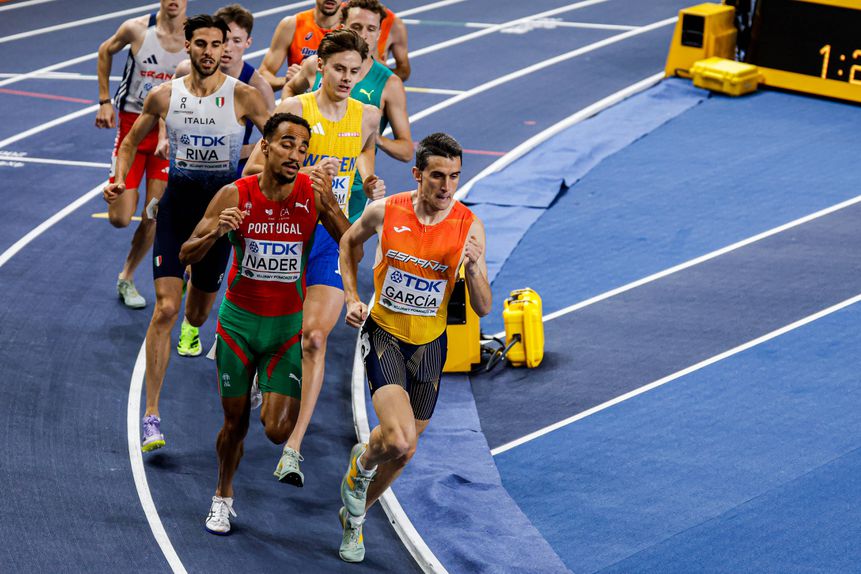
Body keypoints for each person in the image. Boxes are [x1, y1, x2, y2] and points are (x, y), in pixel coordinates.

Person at [103, 14, 271, 453]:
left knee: (196, 315)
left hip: (219, 217)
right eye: (201, 44)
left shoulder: (246, 97)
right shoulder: (164, 96)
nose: (211, 52)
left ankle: (194, 327)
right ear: (188, 46)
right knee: (165, 309)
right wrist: (117, 178)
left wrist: (258, 169)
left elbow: (280, 143)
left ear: (225, 49)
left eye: (218, 44)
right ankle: (152, 416)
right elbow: (126, 144)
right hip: (177, 210)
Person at [178, 112, 350, 535]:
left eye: (304, 148)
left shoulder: (312, 193)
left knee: (276, 431)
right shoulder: (235, 195)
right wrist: (216, 232)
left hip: (284, 328)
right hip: (237, 326)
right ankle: (223, 496)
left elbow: (350, 242)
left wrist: (341, 206)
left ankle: (263, 387)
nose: (296, 154)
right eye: (288, 144)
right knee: (234, 425)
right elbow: (186, 254)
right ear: (266, 147)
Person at [336, 133, 492, 562]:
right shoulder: (386, 211)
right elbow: (349, 243)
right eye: (437, 176)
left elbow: (482, 306)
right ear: (417, 174)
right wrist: (351, 296)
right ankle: (362, 466)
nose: (446, 187)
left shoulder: (469, 226)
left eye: (455, 177)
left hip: (429, 346)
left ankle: (356, 519)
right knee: (400, 440)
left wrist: (476, 268)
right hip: (383, 333)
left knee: (404, 452)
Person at [244, 29, 384, 487]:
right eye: (338, 68)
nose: (346, 78)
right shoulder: (294, 110)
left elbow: (364, 154)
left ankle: (294, 448)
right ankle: (262, 376)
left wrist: (368, 181)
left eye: (354, 71)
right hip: (285, 235)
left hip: (329, 239)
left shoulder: (367, 116)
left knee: (315, 339)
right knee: (275, 331)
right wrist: (301, 172)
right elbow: (250, 171)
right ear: (320, 65)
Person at [283, 0, 412, 223]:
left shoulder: (388, 84)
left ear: (380, 32)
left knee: (342, 255)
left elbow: (406, 151)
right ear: (341, 26)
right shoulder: (316, 64)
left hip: (351, 192)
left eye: (371, 29)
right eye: (357, 26)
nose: (363, 34)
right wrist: (290, 123)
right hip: (304, 179)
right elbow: (291, 87)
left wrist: (369, 134)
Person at [96, 0, 188, 309]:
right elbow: (104, 50)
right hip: (133, 128)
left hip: (169, 133)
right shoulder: (136, 29)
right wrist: (104, 100)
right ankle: (116, 184)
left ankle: (127, 277)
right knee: (121, 218)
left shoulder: (196, 38)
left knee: (153, 214)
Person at [174, 4, 276, 175]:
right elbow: (165, 103)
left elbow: (276, 138)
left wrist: (246, 150)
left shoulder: (258, 87)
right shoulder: (186, 71)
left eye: (236, 41)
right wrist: (164, 138)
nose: (228, 48)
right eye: (224, 40)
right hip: (189, 162)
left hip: (233, 168)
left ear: (247, 43)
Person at [258, 0, 341, 93]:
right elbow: (263, 76)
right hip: (302, 104)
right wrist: (291, 81)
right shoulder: (291, 25)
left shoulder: (354, 23)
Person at [375, 4, 410, 81]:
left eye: (370, 28)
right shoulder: (342, 14)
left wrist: (381, 71)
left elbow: (403, 72)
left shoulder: (393, 23)